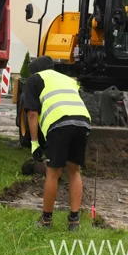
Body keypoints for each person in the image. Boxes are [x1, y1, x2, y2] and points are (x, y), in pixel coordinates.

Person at [22, 56, 91, 231]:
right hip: (83, 122)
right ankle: (74, 221)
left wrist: (35, 142)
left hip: (59, 123)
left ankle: (46, 221)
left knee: (53, 172)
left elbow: (32, 114)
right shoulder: (68, 79)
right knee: (74, 171)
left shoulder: (35, 79)